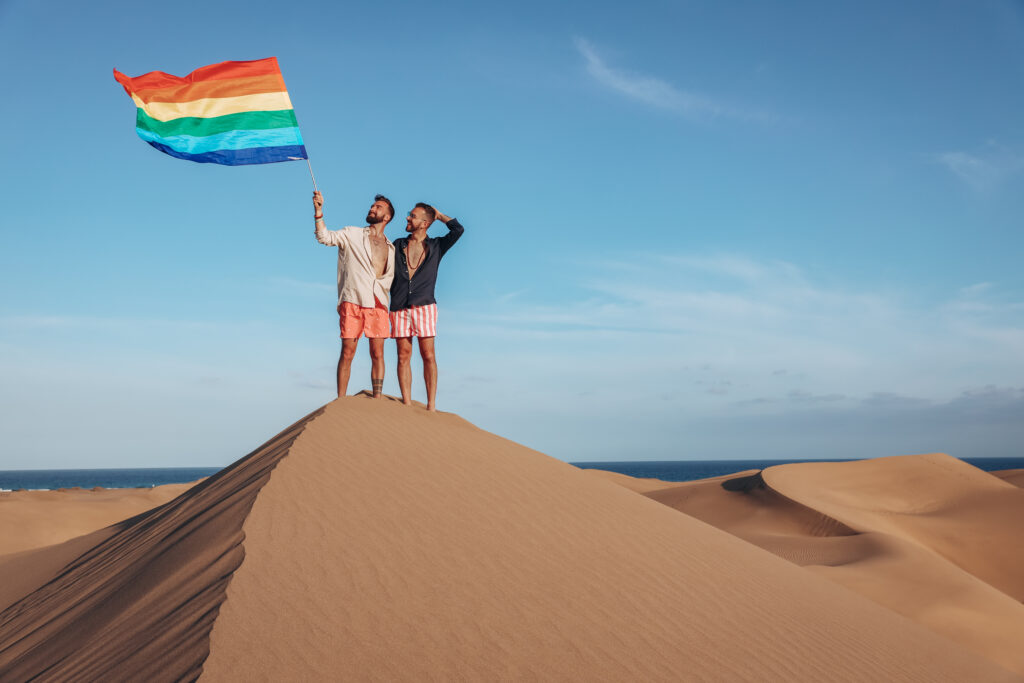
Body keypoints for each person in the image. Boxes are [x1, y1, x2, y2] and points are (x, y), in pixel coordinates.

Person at [313, 191, 396, 398]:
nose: (372, 208)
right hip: (353, 300)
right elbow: (325, 237)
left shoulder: (392, 248)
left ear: (387, 217)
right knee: (347, 352)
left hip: (378, 304)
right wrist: (319, 211)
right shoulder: (352, 233)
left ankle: (377, 398)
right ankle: (341, 399)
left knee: (378, 354)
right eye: (372, 206)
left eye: (378, 207)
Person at [390, 203, 464, 411]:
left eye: (412, 216)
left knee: (428, 355)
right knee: (403, 355)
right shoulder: (397, 244)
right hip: (399, 305)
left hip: (425, 306)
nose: (407, 219)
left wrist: (439, 215)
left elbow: (458, 230)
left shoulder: (437, 246)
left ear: (424, 223)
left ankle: (431, 406)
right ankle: (406, 402)